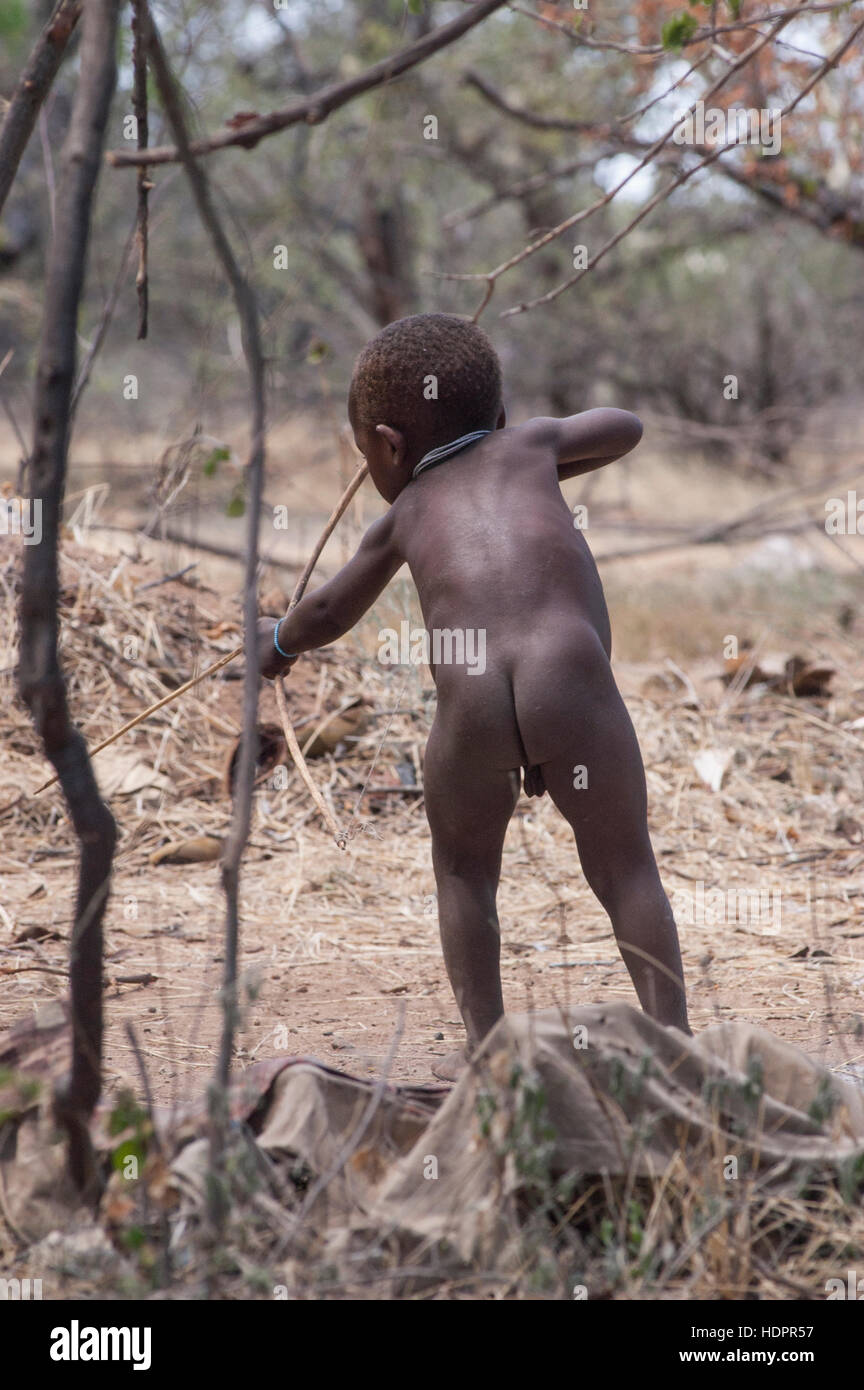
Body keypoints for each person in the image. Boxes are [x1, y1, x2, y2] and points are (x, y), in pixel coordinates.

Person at [256, 313, 690, 1079]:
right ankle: (677, 1043)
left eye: (370, 453)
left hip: (473, 699)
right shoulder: (531, 446)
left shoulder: (404, 515)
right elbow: (624, 426)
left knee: (463, 872)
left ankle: (488, 1050)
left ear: (388, 446)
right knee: (626, 869)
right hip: (571, 678)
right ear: (497, 412)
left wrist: (278, 643)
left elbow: (327, 612)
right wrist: (537, 447)